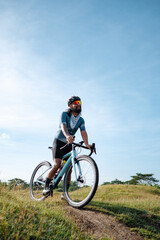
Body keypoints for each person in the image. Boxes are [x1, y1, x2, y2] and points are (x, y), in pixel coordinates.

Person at [43, 96, 91, 196]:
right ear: (70, 105)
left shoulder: (81, 120)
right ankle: (46, 186)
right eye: (76, 102)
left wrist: (87, 144)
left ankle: (65, 194)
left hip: (69, 144)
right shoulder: (64, 114)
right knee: (57, 164)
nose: (79, 104)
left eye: (80, 102)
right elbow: (63, 126)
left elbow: (83, 132)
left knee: (69, 169)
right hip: (59, 141)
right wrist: (68, 135)